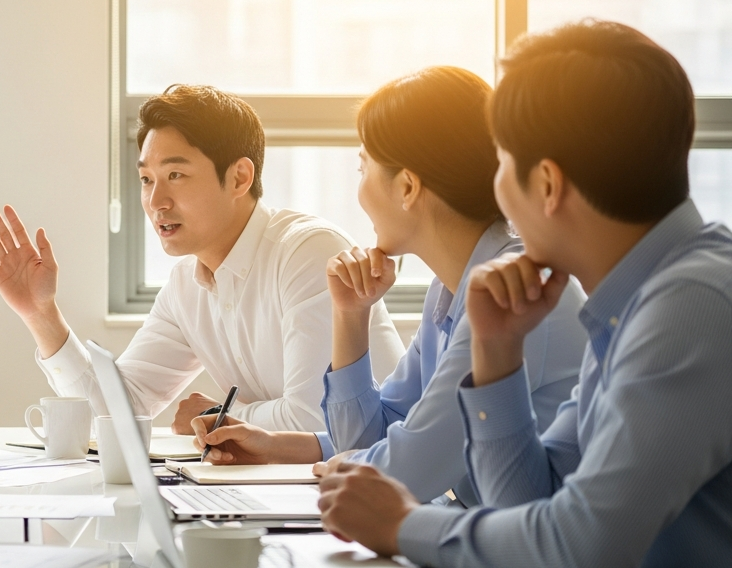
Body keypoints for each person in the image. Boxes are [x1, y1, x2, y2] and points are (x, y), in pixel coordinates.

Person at [317, 21, 732, 568]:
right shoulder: (635, 301)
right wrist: (497, 356)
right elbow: (528, 509)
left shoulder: (689, 307)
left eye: (500, 165)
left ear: (545, 184)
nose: (492, 196)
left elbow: (586, 552)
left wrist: (405, 527)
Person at [190, 67, 586, 507]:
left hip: (537, 552)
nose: (359, 192)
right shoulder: (448, 291)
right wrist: (350, 316)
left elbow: (409, 471)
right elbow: (377, 433)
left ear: (408, 186)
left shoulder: (511, 291)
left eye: (363, 168)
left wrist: (353, 463)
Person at [0, 84, 404, 432]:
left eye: (176, 175)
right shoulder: (187, 285)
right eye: (146, 179)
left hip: (374, 490)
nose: (155, 201)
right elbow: (111, 414)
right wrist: (41, 315)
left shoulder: (308, 253)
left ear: (239, 177)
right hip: (289, 491)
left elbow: (319, 419)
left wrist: (218, 416)